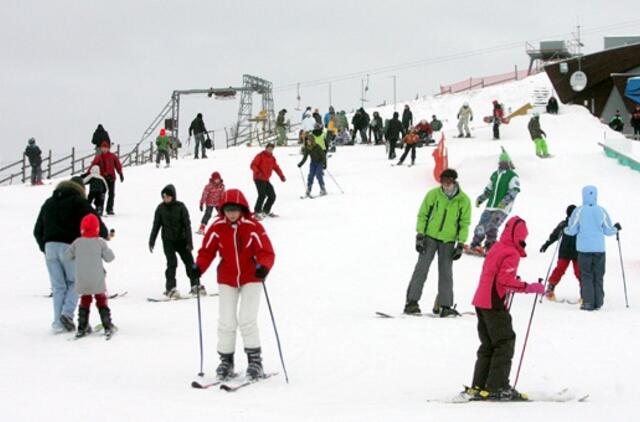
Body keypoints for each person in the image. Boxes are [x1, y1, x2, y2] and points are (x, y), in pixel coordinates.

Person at [194, 189, 275, 381]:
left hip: (251, 277)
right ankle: (226, 361)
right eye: (228, 209)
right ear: (223, 210)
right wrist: (198, 268)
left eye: (235, 210)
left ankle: (255, 361)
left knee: (247, 319)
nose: (231, 213)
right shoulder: (217, 227)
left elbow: (266, 251)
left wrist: (264, 267)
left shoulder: (253, 226)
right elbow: (207, 252)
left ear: (242, 209)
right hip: (227, 278)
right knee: (226, 321)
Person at [463, 216, 545, 401]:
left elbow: (495, 276)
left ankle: (479, 385)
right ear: (519, 236)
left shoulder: (496, 247)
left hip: (481, 300)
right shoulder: (510, 253)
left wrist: (514, 283)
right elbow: (504, 280)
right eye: (524, 239)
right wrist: (528, 287)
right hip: (494, 303)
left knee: (489, 344)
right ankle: (497, 386)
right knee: (504, 342)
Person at [33, 177, 109, 333]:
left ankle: (58, 324)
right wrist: (103, 234)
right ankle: (67, 314)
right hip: (70, 246)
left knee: (58, 286)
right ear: (80, 189)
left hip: (50, 248)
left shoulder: (48, 203)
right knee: (75, 282)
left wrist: (45, 247)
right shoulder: (79, 202)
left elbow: (37, 230)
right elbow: (94, 221)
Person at [404, 169, 471, 317]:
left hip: (448, 240)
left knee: (446, 273)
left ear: (454, 181)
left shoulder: (463, 200)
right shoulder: (433, 194)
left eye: (448, 182)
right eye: (443, 181)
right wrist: (420, 234)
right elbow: (423, 214)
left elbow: (464, 223)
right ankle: (412, 303)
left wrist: (460, 244)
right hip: (430, 237)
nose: (445, 185)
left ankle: (445, 305)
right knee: (421, 269)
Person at [564, 186, 620, 311]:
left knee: (586, 275)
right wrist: (616, 228)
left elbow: (572, 230)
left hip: (584, 250)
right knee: (598, 275)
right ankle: (598, 302)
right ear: (595, 195)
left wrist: (565, 229)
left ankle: (588, 302)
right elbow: (609, 231)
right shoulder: (601, 211)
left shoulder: (579, 211)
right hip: (599, 249)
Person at [149, 184, 203, 299]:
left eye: (168, 196)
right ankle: (170, 288)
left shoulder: (181, 207)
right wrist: (152, 240)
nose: (166, 198)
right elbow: (156, 225)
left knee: (189, 261)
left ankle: (196, 285)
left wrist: (190, 242)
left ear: (173, 196)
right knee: (172, 263)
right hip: (168, 241)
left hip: (182, 240)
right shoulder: (160, 208)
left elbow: (187, 225)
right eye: (164, 197)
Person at [65, 214, 115, 338]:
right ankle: (107, 325)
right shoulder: (100, 242)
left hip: (82, 278)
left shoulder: (77, 242)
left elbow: (67, 256)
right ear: (97, 228)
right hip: (97, 278)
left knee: (85, 300)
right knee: (101, 299)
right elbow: (110, 258)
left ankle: (82, 327)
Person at [468, 149, 520, 255]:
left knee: (492, 225)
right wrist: (481, 199)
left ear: (509, 163)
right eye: (501, 162)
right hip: (490, 206)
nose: (502, 164)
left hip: (502, 208)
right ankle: (477, 244)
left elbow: (514, 190)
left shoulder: (512, 175)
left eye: (505, 162)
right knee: (482, 225)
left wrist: (504, 202)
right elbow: (489, 189)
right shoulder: (495, 175)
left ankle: (489, 245)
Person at [540, 205, 580, 301]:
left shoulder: (581, 224)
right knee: (560, 269)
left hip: (577, 252)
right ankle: (550, 288)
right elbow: (554, 235)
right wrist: (546, 244)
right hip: (565, 252)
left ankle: (585, 292)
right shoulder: (564, 224)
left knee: (579, 272)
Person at [250, 143, 286, 218]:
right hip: (258, 178)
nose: (270, 150)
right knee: (262, 195)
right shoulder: (260, 155)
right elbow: (253, 165)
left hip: (266, 179)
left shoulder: (272, 158)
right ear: (266, 148)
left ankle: (265, 211)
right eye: (269, 148)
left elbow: (276, 168)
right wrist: (257, 172)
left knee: (272, 196)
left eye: (271, 149)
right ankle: (257, 211)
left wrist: (281, 176)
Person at [90, 142, 123, 216]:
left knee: (111, 194)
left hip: (111, 178)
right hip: (102, 179)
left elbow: (118, 165)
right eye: (103, 148)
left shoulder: (112, 156)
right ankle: (100, 208)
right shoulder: (99, 157)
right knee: (101, 194)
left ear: (108, 148)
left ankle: (109, 209)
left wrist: (120, 173)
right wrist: (88, 174)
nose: (104, 149)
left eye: (106, 148)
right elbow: (93, 165)